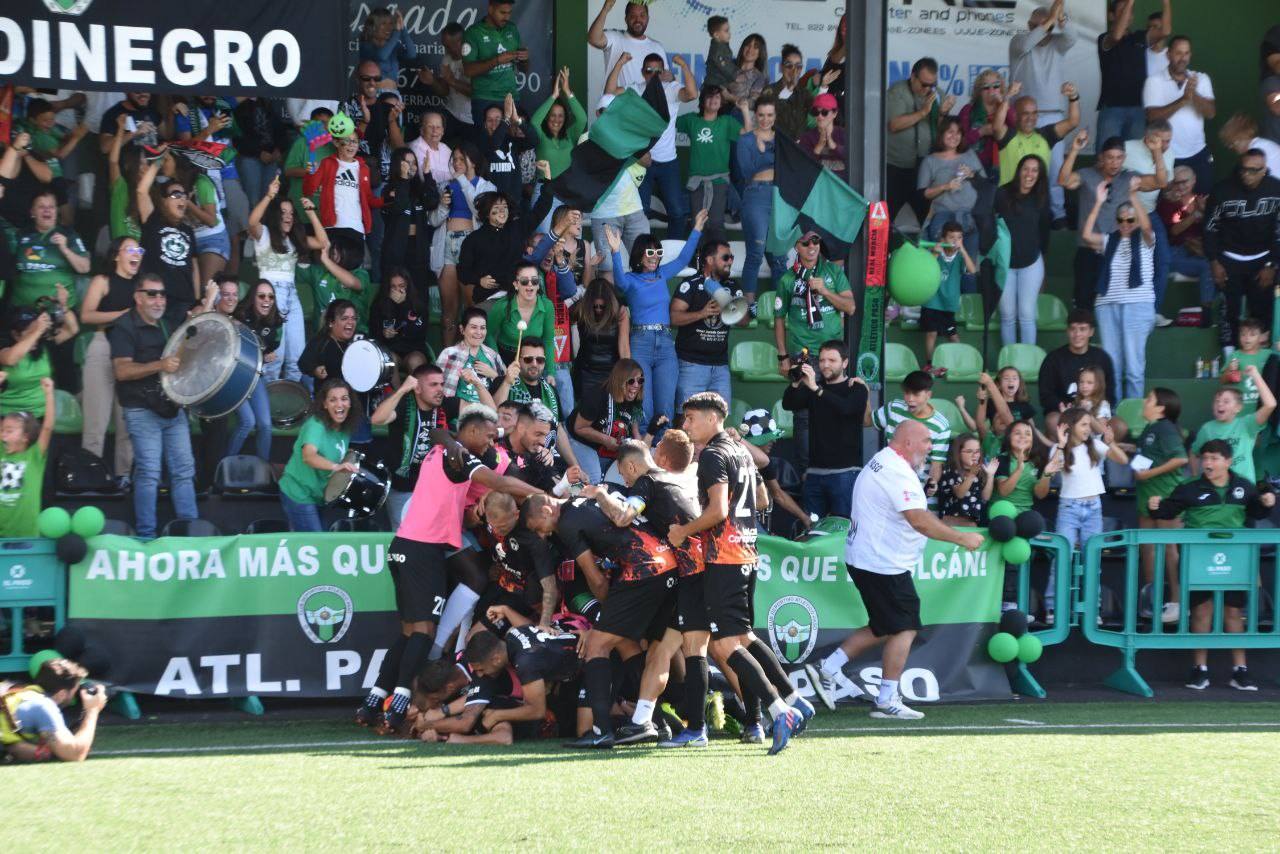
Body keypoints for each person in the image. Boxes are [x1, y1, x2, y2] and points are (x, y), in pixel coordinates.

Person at [361, 408, 540, 733]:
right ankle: (398, 708)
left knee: (408, 633)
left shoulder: (442, 448)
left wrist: (446, 436)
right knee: (423, 633)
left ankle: (372, 702)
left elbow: (437, 433)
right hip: (423, 551)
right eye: (487, 435)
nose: (490, 441)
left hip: (402, 547)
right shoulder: (459, 459)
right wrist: (544, 495)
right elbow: (499, 481)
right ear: (471, 432)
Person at [666, 393, 815, 754]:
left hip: (725, 558)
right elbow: (761, 501)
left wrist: (684, 531)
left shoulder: (714, 455)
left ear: (711, 418)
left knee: (725, 644)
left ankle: (781, 711)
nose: (685, 426)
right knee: (744, 637)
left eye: (690, 419)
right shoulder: (739, 450)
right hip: (747, 552)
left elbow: (717, 511)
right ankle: (795, 698)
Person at [806, 421, 984, 717]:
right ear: (908, 442)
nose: (930, 447)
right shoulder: (896, 472)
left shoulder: (884, 460)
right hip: (882, 563)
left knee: (884, 623)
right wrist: (962, 538)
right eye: (926, 441)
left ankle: (829, 667)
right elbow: (918, 519)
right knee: (905, 625)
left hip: (869, 558)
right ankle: (887, 700)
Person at [1149, 439, 1276, 691]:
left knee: (1233, 611)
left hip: (1235, 557)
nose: (1208, 463)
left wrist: (1267, 503)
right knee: (1201, 610)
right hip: (1198, 557)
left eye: (1214, 459)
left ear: (1228, 461)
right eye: (1205, 458)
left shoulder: (1244, 487)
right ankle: (1200, 670)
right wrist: (1154, 506)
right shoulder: (1189, 488)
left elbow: (1257, 513)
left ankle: (1240, 670)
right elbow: (1165, 511)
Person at [108, 275, 198, 539]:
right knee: (149, 473)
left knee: (184, 470)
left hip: (171, 406)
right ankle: (146, 537)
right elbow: (121, 371)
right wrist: (160, 365)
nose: (159, 299)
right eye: (152, 294)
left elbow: (179, 358)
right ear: (138, 297)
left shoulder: (167, 324)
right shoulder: (123, 326)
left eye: (162, 294)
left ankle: (190, 534)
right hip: (140, 408)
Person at [606, 211, 707, 425]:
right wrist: (615, 251)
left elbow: (682, 259)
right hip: (640, 341)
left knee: (665, 407)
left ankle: (663, 452)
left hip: (665, 342)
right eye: (649, 251)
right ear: (640, 255)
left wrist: (696, 228)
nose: (654, 256)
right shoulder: (631, 279)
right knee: (645, 405)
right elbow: (620, 284)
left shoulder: (662, 274)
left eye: (658, 251)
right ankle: (643, 449)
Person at [774, 231, 856, 469]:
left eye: (816, 242)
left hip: (832, 354)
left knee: (837, 409)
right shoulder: (788, 279)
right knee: (803, 416)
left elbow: (850, 308)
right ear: (796, 247)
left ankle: (835, 466)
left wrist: (826, 292)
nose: (812, 246)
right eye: (806, 243)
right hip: (803, 355)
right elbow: (779, 319)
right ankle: (805, 472)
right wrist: (783, 357)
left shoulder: (833, 272)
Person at [604, 52, 698, 240]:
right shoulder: (636, 90)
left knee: (677, 212)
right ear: (642, 72)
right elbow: (610, 91)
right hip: (641, 160)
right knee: (640, 211)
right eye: (649, 71)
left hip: (668, 162)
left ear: (664, 72)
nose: (653, 75)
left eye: (658, 71)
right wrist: (620, 64)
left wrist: (684, 67)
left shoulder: (671, 89)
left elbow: (692, 94)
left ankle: (672, 253)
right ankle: (642, 252)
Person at [1082, 176, 1157, 400]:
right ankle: (1111, 414)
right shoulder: (1109, 240)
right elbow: (1086, 235)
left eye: (1130, 220)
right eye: (1121, 220)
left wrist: (1133, 197)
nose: (1125, 224)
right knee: (1111, 364)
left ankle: (1132, 411)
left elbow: (1147, 226)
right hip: (1107, 304)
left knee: (1134, 366)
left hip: (1137, 303)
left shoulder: (1146, 239)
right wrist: (1097, 203)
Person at [1050, 408, 1128, 622]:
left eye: (1088, 424)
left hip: (1094, 507)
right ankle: (1052, 607)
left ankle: (1093, 607)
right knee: (1062, 556)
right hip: (1069, 507)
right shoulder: (1060, 448)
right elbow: (1051, 469)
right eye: (1084, 424)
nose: (1088, 429)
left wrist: (1110, 442)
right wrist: (1060, 444)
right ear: (1071, 426)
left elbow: (1121, 460)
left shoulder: (1094, 444)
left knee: (1092, 559)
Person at [247, 177, 325, 380]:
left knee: (297, 359)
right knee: (275, 358)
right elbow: (252, 221)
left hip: (292, 296)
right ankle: (271, 406)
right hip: (270, 296)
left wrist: (311, 213)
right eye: (283, 213)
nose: (289, 217)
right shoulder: (263, 234)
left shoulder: (294, 239)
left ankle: (291, 407)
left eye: (291, 213)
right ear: (275, 215)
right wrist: (269, 196)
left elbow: (323, 242)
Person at [1059, 134, 1146, 312]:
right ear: (1101, 157)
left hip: (1116, 251)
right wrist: (1075, 149)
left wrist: (1157, 152)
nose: (1114, 162)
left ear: (1124, 158)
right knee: (1084, 304)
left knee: (1113, 305)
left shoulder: (1129, 177)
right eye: (1110, 157)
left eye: (1119, 157)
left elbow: (1161, 181)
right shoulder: (1087, 174)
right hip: (1087, 250)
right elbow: (1063, 181)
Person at [782, 340, 868, 519]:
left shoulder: (856, 388)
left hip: (845, 473)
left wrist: (816, 388)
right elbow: (788, 403)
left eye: (832, 360)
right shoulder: (814, 388)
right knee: (813, 531)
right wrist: (796, 382)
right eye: (822, 360)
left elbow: (846, 408)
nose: (825, 365)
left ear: (845, 363)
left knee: (842, 530)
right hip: (814, 473)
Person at [1203, 149, 1280, 347]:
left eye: (1254, 170)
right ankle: (1231, 362)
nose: (1247, 174)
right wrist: (1214, 261)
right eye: (1244, 169)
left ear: (1264, 170)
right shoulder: (1222, 190)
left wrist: (1272, 264)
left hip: (1263, 259)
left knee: (1262, 312)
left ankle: (1261, 363)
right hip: (1229, 259)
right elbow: (1210, 229)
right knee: (1230, 312)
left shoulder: (1276, 189)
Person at [78, 236, 140, 479]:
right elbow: (86, 315)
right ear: (116, 255)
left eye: (139, 249)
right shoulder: (102, 280)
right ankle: (89, 478)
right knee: (96, 422)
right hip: (104, 346)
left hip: (132, 352)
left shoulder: (142, 287)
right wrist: (122, 315)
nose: (136, 253)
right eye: (130, 249)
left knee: (128, 424)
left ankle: (124, 478)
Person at [1009, 0, 1076, 224]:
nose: (1044, 29)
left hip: (1053, 115)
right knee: (1023, 167)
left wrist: (1061, 19)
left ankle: (1058, 214)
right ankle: (1020, 210)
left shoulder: (1058, 44)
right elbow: (1031, 40)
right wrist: (1049, 20)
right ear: (1029, 25)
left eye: (1048, 25)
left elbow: (1072, 37)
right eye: (1038, 25)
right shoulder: (1019, 41)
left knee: (1055, 167)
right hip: (1024, 118)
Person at [371, 365, 463, 526]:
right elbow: (377, 419)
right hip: (402, 487)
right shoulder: (404, 404)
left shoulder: (446, 405)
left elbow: (487, 412)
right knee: (408, 535)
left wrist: (477, 384)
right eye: (433, 385)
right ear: (418, 389)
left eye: (441, 384)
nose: (440, 389)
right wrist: (402, 390)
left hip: (434, 486)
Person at [432, 143, 497, 347]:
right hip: (446, 244)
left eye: (462, 159)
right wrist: (442, 206)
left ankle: (471, 358)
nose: (457, 164)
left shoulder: (487, 187)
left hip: (471, 245)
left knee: (472, 307)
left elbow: (479, 211)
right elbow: (433, 220)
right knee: (448, 310)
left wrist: (461, 179)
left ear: (474, 162)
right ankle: (447, 360)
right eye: (455, 160)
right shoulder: (445, 185)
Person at [991, 81, 1080, 229]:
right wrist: (1008, 97)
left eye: (1034, 113)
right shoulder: (1008, 135)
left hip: (1038, 201)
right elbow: (996, 126)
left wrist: (1074, 97)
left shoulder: (1045, 135)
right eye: (1025, 113)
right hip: (1010, 199)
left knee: (1038, 246)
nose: (1030, 118)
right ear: (1015, 115)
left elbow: (1073, 122)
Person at [671, 239, 747, 410]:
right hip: (691, 365)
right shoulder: (690, 284)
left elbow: (744, 321)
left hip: (720, 366)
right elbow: (673, 318)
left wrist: (730, 309)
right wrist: (702, 313)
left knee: (720, 418)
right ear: (709, 259)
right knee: (687, 419)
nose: (730, 262)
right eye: (725, 257)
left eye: (731, 257)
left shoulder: (733, 286)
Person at [1133, 387, 1187, 625]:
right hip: (1146, 498)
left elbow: (1181, 458)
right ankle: (1151, 601)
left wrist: (1149, 474)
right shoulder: (1149, 429)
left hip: (1166, 497)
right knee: (1148, 549)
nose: (1145, 402)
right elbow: (1145, 457)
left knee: (1169, 549)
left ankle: (1177, 603)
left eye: (1150, 399)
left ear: (1161, 407)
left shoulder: (1165, 428)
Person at [277, 378, 359, 532]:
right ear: (325, 404)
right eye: (333, 400)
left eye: (344, 399)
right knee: (316, 544)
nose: (339, 404)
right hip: (299, 493)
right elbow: (309, 456)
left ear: (350, 403)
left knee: (314, 543)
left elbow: (337, 452)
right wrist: (336, 466)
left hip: (320, 495)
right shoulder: (316, 425)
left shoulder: (345, 429)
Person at [1143, 36, 1216, 193]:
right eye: (1178, 53)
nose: (1182, 58)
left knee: (1203, 202)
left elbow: (1210, 113)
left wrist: (1193, 95)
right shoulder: (1154, 81)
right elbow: (1152, 118)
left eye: (1186, 53)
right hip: (1166, 155)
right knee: (1169, 206)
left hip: (1198, 153)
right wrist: (1183, 100)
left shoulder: (1201, 79)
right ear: (1168, 55)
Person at [885, 57, 952, 225]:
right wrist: (923, 113)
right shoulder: (897, 92)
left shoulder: (937, 95)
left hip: (925, 167)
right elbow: (894, 125)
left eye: (932, 84)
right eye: (923, 84)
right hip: (896, 167)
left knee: (923, 215)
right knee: (889, 215)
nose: (927, 88)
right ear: (913, 77)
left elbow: (945, 134)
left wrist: (942, 114)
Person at [136, 151, 201, 324]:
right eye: (175, 195)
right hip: (158, 298)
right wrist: (157, 160)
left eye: (184, 195)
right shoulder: (154, 220)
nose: (182, 199)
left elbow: (194, 268)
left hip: (184, 302)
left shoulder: (188, 230)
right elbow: (142, 191)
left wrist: (197, 300)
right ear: (163, 201)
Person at [0, 657, 107, 763]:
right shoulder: (43, 705)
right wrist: (92, 710)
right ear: (61, 694)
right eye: (74, 691)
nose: (75, 697)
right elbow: (74, 755)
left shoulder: (21, 693)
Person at [303, 118, 384, 256]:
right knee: (334, 266)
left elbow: (368, 198)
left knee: (353, 270)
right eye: (346, 140)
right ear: (336, 142)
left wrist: (386, 199)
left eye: (354, 141)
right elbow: (308, 189)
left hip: (357, 227)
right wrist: (310, 165)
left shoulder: (363, 167)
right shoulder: (327, 163)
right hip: (333, 225)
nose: (351, 145)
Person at [1096, 0, 1171, 144]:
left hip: (1138, 109)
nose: (1128, 13)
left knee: (1133, 160)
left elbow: (1165, 31)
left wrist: (1166, 3)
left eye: (1130, 10)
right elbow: (1117, 36)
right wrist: (1130, 2)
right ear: (1111, 16)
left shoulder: (1139, 37)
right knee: (1107, 157)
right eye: (1122, 9)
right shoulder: (1104, 38)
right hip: (1112, 108)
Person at [677, 86, 745, 242]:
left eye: (717, 97)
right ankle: (697, 262)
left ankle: (720, 262)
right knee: (697, 224)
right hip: (696, 183)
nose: (714, 100)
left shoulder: (727, 122)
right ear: (702, 101)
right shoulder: (691, 120)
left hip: (719, 182)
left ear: (721, 103)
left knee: (715, 223)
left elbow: (747, 133)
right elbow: (668, 121)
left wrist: (745, 110)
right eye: (710, 97)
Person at [996, 154, 1052, 346]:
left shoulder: (1042, 198)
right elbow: (990, 227)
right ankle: (1010, 367)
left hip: (1032, 263)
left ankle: (1028, 363)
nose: (1029, 174)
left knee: (1027, 315)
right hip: (1005, 264)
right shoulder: (1002, 193)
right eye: (1026, 168)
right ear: (1019, 170)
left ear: (1040, 174)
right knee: (1007, 315)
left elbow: (1044, 234)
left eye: (1035, 170)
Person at [868, 370, 951, 497]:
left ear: (928, 395)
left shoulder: (941, 426)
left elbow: (936, 465)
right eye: (907, 393)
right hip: (887, 485)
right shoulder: (893, 408)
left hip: (917, 491)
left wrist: (932, 482)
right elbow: (867, 421)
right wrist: (864, 394)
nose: (910, 399)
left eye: (916, 394)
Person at [1037, 308, 1119, 436]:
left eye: (1082, 329)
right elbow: (1046, 395)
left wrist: (1094, 408)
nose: (1077, 334)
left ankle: (1106, 455)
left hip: (1097, 411)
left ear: (1091, 331)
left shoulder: (1102, 358)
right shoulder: (1053, 359)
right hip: (1064, 412)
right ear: (1067, 331)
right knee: (1053, 421)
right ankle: (1059, 455)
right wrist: (1068, 408)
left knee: (1119, 426)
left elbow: (1110, 392)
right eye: (1073, 329)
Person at [1190, 371, 1277, 487]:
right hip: (1216, 488)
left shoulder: (1247, 424)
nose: (1220, 404)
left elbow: (1270, 404)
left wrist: (1255, 375)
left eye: (1226, 401)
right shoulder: (1207, 428)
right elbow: (1194, 453)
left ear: (1238, 408)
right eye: (1217, 401)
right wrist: (1195, 477)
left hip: (1244, 487)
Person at [567, 358, 646, 484]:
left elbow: (635, 430)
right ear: (620, 380)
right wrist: (605, 439)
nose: (636, 385)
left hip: (605, 443)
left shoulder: (635, 398)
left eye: (640, 380)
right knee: (594, 479)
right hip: (578, 438)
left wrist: (640, 449)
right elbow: (579, 428)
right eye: (631, 381)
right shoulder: (596, 396)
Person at [736, 96, 786, 298]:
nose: (765, 119)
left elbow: (792, 168)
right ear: (755, 115)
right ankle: (749, 308)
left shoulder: (782, 138)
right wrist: (764, 154)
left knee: (780, 257)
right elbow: (747, 171)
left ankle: (779, 308)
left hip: (779, 197)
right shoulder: (746, 139)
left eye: (770, 115)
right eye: (761, 115)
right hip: (756, 195)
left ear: (775, 116)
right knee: (755, 253)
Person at [227, 281, 282, 461]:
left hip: (255, 375)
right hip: (233, 376)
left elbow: (265, 350)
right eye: (262, 296)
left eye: (271, 296)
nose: (267, 300)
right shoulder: (239, 315)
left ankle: (263, 471)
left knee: (265, 425)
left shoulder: (275, 323)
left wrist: (266, 356)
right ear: (253, 298)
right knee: (248, 422)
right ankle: (222, 468)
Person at [917, 117, 983, 262]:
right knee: (944, 266)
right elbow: (923, 194)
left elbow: (985, 184)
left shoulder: (969, 154)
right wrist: (946, 186)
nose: (954, 136)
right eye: (950, 132)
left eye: (958, 132)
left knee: (968, 268)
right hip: (944, 220)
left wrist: (971, 174)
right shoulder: (930, 161)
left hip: (969, 218)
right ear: (941, 134)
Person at [1, 296, 78, 416]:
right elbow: (10, 359)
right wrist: (37, 331)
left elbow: (72, 329)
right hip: (7, 416)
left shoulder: (44, 344)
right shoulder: (4, 347)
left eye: (38, 332)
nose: (36, 337)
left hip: (39, 415)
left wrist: (63, 306)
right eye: (30, 333)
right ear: (15, 334)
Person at [1157, 165, 1213, 326]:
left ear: (1194, 180)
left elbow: (1213, 229)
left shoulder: (1202, 200)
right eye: (1176, 182)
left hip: (1198, 251)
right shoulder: (1167, 203)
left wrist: (1205, 212)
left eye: (1185, 182)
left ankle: (1207, 312)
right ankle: (1206, 315)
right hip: (1175, 252)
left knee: (1212, 264)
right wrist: (1196, 215)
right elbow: (1174, 230)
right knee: (1206, 266)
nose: (1181, 186)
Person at [380, 148, 440, 294]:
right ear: (397, 165)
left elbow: (432, 202)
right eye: (406, 162)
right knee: (396, 295)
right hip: (396, 252)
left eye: (414, 163)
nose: (411, 166)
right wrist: (403, 179)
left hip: (418, 251)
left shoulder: (419, 189)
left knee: (419, 295)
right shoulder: (389, 189)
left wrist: (427, 174)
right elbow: (399, 206)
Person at [0, 378, 54, 538]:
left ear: (25, 436)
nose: (3, 434)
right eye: (3, 430)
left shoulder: (34, 455)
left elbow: (48, 427)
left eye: (9, 430)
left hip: (26, 534)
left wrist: (49, 393)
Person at [462, 0, 527, 126]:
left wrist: (524, 58)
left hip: (511, 97)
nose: (506, 17)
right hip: (485, 98)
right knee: (487, 143)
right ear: (490, 9)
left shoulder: (512, 29)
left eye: (509, 13)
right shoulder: (473, 33)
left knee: (512, 142)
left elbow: (524, 68)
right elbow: (468, 70)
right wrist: (497, 61)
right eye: (502, 12)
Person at [921, 222, 977, 364]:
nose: (955, 241)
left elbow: (972, 270)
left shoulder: (959, 257)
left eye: (959, 238)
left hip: (949, 304)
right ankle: (929, 364)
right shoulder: (934, 252)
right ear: (943, 239)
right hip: (932, 301)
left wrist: (963, 250)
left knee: (952, 336)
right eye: (951, 237)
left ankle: (962, 363)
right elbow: (925, 269)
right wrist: (935, 252)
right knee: (931, 333)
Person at [588, 0, 668, 97]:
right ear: (626, 19)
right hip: (617, 109)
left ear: (648, 18)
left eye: (642, 15)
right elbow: (593, 39)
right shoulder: (615, 38)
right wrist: (605, 9)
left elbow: (665, 81)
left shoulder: (657, 47)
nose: (638, 20)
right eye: (633, 16)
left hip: (645, 110)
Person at [485, 263, 558, 366]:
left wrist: (551, 372)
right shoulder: (502, 306)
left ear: (538, 284)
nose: (530, 284)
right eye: (524, 281)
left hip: (533, 359)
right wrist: (497, 362)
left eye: (534, 281)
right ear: (516, 284)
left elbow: (548, 340)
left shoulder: (547, 306)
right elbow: (489, 334)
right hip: (506, 357)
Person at [571, 277, 630, 400]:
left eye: (602, 307)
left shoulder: (620, 311)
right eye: (595, 306)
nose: (598, 309)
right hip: (586, 371)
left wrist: (626, 374)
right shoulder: (581, 308)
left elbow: (624, 347)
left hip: (611, 372)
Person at [437, 308, 504, 404]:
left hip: (488, 412)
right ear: (462, 329)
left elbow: (506, 390)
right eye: (473, 327)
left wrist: (494, 375)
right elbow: (438, 389)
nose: (478, 332)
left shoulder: (493, 356)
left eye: (482, 328)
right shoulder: (449, 354)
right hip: (459, 413)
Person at [530, 68, 587, 182]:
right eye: (553, 115)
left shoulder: (570, 134)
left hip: (566, 190)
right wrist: (554, 96)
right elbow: (534, 122)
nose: (557, 119)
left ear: (565, 118)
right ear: (546, 117)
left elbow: (582, 119)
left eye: (561, 115)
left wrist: (567, 91)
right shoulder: (540, 134)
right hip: (545, 189)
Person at [282, 106, 336, 213]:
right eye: (319, 122)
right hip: (301, 206)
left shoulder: (335, 146)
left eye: (327, 123)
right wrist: (308, 172)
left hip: (324, 211)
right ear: (311, 123)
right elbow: (288, 171)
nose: (323, 126)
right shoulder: (301, 143)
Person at [760, 45, 819, 141]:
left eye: (798, 67)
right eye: (789, 66)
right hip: (776, 144)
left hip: (799, 147)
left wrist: (823, 87)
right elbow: (768, 116)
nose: (794, 71)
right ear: (781, 67)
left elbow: (816, 111)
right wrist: (789, 88)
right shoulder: (769, 90)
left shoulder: (804, 93)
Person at [938, 433, 998, 527]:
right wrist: (971, 475)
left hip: (972, 521)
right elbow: (960, 494)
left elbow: (985, 497)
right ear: (958, 453)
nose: (975, 455)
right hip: (952, 520)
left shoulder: (980, 471)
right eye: (969, 451)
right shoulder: (951, 471)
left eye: (977, 451)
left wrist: (990, 475)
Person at [959, 70, 1009, 178]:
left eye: (996, 86)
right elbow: (959, 143)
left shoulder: (1006, 110)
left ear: (1001, 89)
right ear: (979, 91)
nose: (991, 90)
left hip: (1005, 165)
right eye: (986, 87)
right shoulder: (968, 111)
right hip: (974, 167)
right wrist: (981, 132)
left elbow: (1016, 128)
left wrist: (1003, 104)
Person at [359, 7, 418, 90]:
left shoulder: (394, 45)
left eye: (391, 24)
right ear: (373, 26)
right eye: (383, 24)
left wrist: (402, 29)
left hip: (393, 95)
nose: (389, 28)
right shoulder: (366, 45)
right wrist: (397, 33)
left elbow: (412, 54)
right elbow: (382, 56)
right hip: (374, 96)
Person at [798, 93, 847, 175]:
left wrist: (834, 146)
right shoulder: (806, 137)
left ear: (835, 114)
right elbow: (803, 166)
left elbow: (854, 160)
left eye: (824, 112)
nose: (820, 116)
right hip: (818, 186)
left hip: (841, 186)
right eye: (816, 112)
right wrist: (819, 147)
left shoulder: (844, 134)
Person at [410, 111, 453, 186]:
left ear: (442, 131)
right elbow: (424, 175)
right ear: (422, 130)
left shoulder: (444, 148)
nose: (435, 131)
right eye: (430, 126)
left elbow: (456, 167)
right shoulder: (415, 147)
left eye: (438, 127)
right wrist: (454, 175)